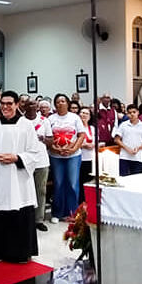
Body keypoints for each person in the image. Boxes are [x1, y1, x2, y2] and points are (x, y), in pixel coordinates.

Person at [0, 91, 41, 263]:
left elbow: (34, 152)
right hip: (0, 174)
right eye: (3, 103)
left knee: (20, 210)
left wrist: (18, 158)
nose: (5, 106)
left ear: (16, 105)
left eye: (9, 103)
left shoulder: (26, 125)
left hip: (19, 176)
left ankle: (22, 252)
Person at [47, 94, 85, 223]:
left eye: (63, 101)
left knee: (72, 184)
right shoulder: (51, 118)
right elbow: (47, 137)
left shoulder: (75, 118)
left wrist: (73, 148)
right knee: (58, 183)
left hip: (73, 155)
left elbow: (81, 135)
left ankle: (72, 213)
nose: (60, 103)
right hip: (56, 156)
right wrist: (54, 148)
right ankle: (57, 213)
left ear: (68, 103)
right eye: (57, 101)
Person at [24, 100, 52, 232]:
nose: (32, 107)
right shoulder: (20, 121)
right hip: (25, 161)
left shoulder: (44, 121)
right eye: (29, 104)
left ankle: (39, 219)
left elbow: (51, 140)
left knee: (41, 190)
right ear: (24, 107)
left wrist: (43, 139)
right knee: (25, 191)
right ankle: (26, 218)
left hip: (41, 161)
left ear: (37, 107)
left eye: (34, 105)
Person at [114, 104, 142, 176]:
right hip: (124, 157)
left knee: (136, 178)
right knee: (123, 177)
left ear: (138, 112)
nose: (132, 114)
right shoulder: (123, 125)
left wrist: (139, 148)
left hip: (137, 157)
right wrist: (127, 148)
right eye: (130, 113)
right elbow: (117, 139)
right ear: (127, 114)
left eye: (134, 112)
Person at [78, 107, 95, 201]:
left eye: (86, 113)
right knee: (81, 181)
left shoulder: (92, 128)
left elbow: (96, 141)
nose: (83, 115)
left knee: (89, 181)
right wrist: (83, 145)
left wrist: (92, 145)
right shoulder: (76, 128)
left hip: (91, 158)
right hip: (80, 158)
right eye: (82, 112)